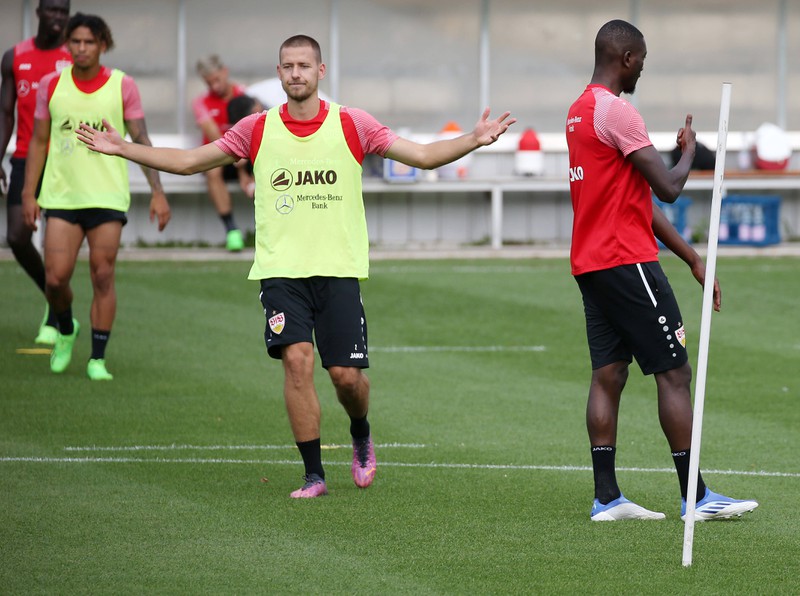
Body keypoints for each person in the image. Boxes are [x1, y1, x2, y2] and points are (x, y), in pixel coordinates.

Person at [77, 34, 515, 497]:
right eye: (288, 66)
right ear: (279, 72)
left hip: (338, 270)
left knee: (346, 378)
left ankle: (361, 431)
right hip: (281, 271)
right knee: (297, 362)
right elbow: (189, 162)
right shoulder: (257, 128)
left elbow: (423, 157)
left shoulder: (353, 123)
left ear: (320, 72)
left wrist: (473, 139)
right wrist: (124, 148)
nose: (296, 74)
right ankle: (314, 475)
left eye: (305, 65)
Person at [566, 19, 758, 522]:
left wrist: (692, 257)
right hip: (627, 261)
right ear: (626, 58)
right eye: (641, 62)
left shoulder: (579, 113)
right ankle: (695, 495)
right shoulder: (619, 112)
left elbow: (639, 200)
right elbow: (670, 188)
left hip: (591, 264)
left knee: (608, 374)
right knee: (674, 372)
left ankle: (606, 498)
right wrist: (690, 150)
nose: (641, 71)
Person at [22, 12, 171, 381]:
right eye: (76, 42)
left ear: (103, 45)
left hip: (107, 197)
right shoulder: (50, 85)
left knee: (102, 276)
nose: (83, 48)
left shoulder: (123, 85)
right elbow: (39, 141)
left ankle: (97, 359)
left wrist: (157, 191)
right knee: (55, 280)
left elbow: (141, 140)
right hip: (61, 197)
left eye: (90, 42)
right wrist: (29, 193)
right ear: (67, 45)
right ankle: (65, 328)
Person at [0, 0, 71, 345]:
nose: (59, 17)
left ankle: (55, 316)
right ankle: (55, 300)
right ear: (39, 13)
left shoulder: (74, 58)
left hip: (63, 163)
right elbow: (5, 115)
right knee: (16, 236)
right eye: (53, 10)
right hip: (26, 158)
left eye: (64, 11)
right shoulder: (14, 57)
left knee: (53, 241)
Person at [192, 55, 246, 251]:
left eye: (216, 80)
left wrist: (244, 171)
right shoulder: (201, 103)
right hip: (220, 156)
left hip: (245, 157)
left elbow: (254, 130)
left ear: (225, 72)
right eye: (208, 83)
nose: (214, 86)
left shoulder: (244, 95)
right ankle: (232, 230)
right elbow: (215, 135)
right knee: (213, 172)